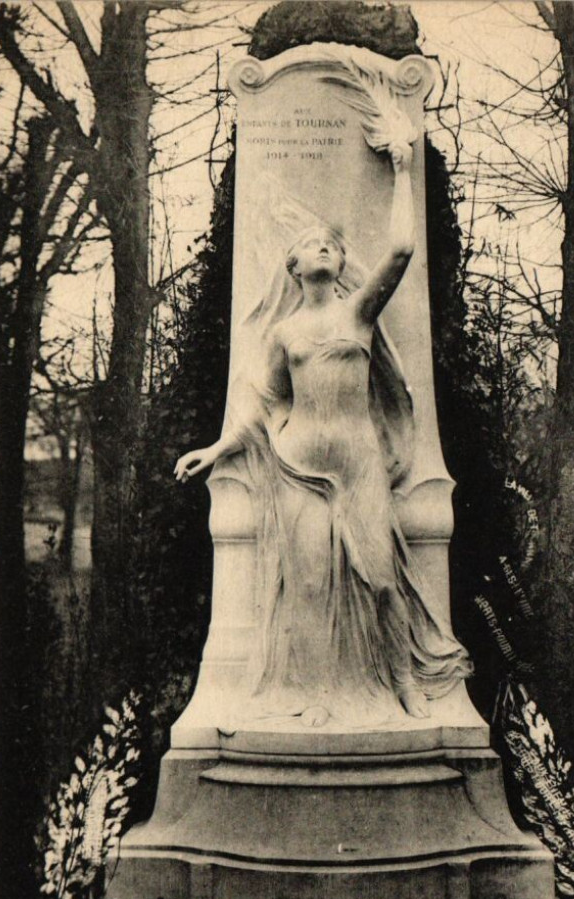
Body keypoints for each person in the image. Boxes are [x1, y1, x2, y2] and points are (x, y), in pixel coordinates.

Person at [175, 141, 471, 727]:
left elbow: (403, 249)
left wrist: (404, 167)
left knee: (380, 576)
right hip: (298, 464)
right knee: (309, 587)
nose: (326, 249)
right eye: (315, 244)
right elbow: (265, 409)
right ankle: (316, 694)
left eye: (333, 246)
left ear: (340, 265)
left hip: (358, 460)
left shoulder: (358, 312)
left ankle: (405, 683)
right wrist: (216, 450)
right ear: (294, 265)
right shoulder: (283, 333)